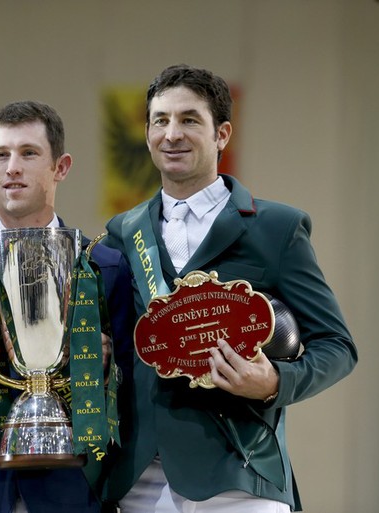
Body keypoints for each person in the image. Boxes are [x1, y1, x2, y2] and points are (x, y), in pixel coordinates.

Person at [98, 64, 358, 512]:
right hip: (138, 478)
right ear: (146, 134)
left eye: (189, 120)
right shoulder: (123, 232)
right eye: (160, 120)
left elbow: (337, 347)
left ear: (222, 134)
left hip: (240, 475)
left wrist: (274, 381)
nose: (172, 133)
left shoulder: (277, 228)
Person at [0, 100, 134, 513]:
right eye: (2, 155)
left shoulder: (103, 266)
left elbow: (133, 388)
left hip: (73, 493)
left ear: (61, 167)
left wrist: (104, 371)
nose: (13, 167)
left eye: (29, 153)